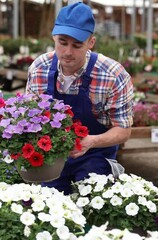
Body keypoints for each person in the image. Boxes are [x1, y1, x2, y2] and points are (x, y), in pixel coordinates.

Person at [26, 2, 134, 194]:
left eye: (77, 45)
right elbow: (30, 117)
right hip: (52, 156)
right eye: (62, 43)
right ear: (54, 38)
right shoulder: (39, 68)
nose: (68, 52)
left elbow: (123, 130)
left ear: (91, 43)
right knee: (50, 209)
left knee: (94, 204)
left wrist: (91, 141)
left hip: (95, 155)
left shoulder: (112, 75)